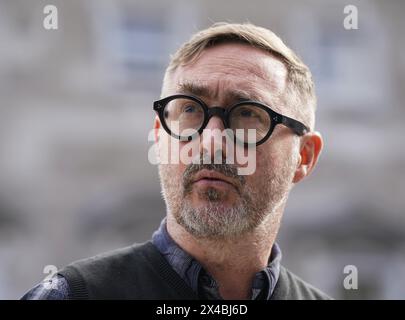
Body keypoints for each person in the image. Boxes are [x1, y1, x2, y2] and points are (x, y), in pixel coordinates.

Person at [22, 22, 329, 300]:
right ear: (159, 136)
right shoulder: (75, 295)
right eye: (189, 110)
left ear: (304, 156)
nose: (211, 141)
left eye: (247, 114)